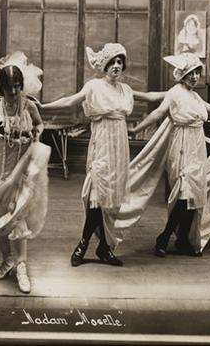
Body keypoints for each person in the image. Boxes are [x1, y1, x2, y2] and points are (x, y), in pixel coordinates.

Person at [39, 43, 162, 267]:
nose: (116, 66)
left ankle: (104, 248)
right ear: (104, 65)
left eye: (120, 62)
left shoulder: (125, 89)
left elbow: (149, 96)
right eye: (112, 62)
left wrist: (175, 91)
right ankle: (83, 244)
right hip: (102, 144)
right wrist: (42, 107)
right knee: (97, 195)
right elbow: (70, 101)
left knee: (111, 199)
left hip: (119, 147)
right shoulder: (94, 86)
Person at [127, 53, 210, 257]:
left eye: (197, 73)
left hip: (197, 146)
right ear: (182, 74)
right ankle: (164, 237)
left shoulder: (195, 96)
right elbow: (158, 112)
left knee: (194, 194)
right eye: (191, 73)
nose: (195, 77)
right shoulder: (175, 93)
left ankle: (182, 239)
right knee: (185, 193)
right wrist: (136, 129)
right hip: (182, 145)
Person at [0, 52, 50, 294]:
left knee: (17, 216)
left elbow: (39, 123)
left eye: (16, 86)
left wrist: (36, 134)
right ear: (1, 87)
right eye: (8, 87)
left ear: (21, 85)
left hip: (20, 166)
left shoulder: (28, 105)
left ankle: (21, 266)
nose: (12, 91)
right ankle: (7, 259)